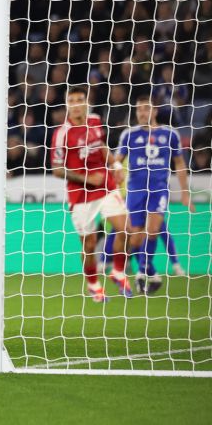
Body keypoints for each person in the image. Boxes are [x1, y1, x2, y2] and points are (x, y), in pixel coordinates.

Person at [51, 85, 134, 302]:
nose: (77, 104)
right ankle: (93, 284)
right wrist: (87, 179)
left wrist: (115, 167)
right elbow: (57, 169)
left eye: (81, 100)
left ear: (87, 103)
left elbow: (102, 146)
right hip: (80, 195)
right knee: (88, 244)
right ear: (67, 105)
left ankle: (118, 271)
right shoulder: (61, 134)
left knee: (125, 228)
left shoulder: (95, 120)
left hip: (105, 186)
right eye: (72, 100)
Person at [113, 95, 193, 294]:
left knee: (154, 229)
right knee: (136, 240)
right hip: (135, 190)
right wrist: (117, 169)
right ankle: (153, 274)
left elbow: (180, 163)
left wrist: (185, 193)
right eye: (139, 109)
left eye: (146, 108)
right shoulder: (128, 135)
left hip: (158, 189)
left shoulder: (170, 134)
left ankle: (141, 273)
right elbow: (117, 159)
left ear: (155, 111)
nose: (142, 112)